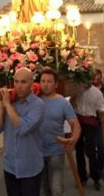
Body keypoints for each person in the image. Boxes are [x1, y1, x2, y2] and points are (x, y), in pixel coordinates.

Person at [0, 68, 45, 196]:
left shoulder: (38, 105)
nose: (19, 86)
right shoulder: (10, 103)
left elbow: (23, 128)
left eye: (23, 82)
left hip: (30, 168)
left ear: (32, 83)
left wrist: (8, 105)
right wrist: (2, 105)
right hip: (10, 166)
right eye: (16, 82)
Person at [39, 68, 81, 196]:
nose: (45, 84)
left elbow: (76, 125)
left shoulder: (63, 103)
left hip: (55, 152)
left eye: (49, 81)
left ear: (56, 84)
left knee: (56, 190)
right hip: (36, 152)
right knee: (41, 190)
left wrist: (72, 140)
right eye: (43, 81)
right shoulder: (34, 100)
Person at [72, 81, 104, 191]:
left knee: (91, 151)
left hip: (90, 123)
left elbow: (101, 107)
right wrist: (73, 97)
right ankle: (82, 177)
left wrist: (102, 113)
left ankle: (95, 177)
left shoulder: (97, 93)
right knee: (79, 151)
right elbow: (71, 104)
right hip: (78, 122)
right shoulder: (76, 90)